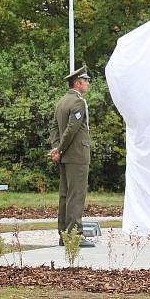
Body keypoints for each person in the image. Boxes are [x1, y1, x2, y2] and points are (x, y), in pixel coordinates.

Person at [50, 65, 94, 247]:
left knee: (65, 194)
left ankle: (64, 234)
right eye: (86, 81)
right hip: (76, 155)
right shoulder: (78, 102)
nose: (88, 84)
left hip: (66, 155)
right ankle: (74, 234)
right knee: (76, 195)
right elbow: (71, 130)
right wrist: (59, 150)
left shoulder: (62, 101)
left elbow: (54, 128)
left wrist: (55, 149)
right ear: (78, 83)